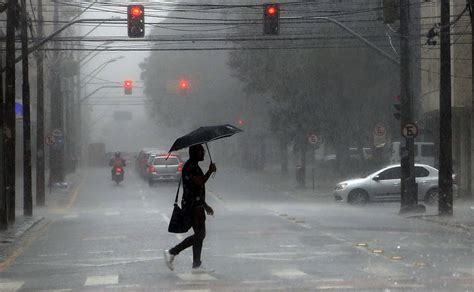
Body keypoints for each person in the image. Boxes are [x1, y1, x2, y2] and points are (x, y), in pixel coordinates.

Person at [164, 144, 217, 274]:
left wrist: (205, 205)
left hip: (197, 205)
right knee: (200, 235)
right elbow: (199, 182)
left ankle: (196, 265)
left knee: (200, 235)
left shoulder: (194, 166)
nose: (203, 153)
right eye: (201, 151)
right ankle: (172, 252)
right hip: (192, 206)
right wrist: (210, 171)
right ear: (194, 153)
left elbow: (197, 189)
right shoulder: (189, 167)